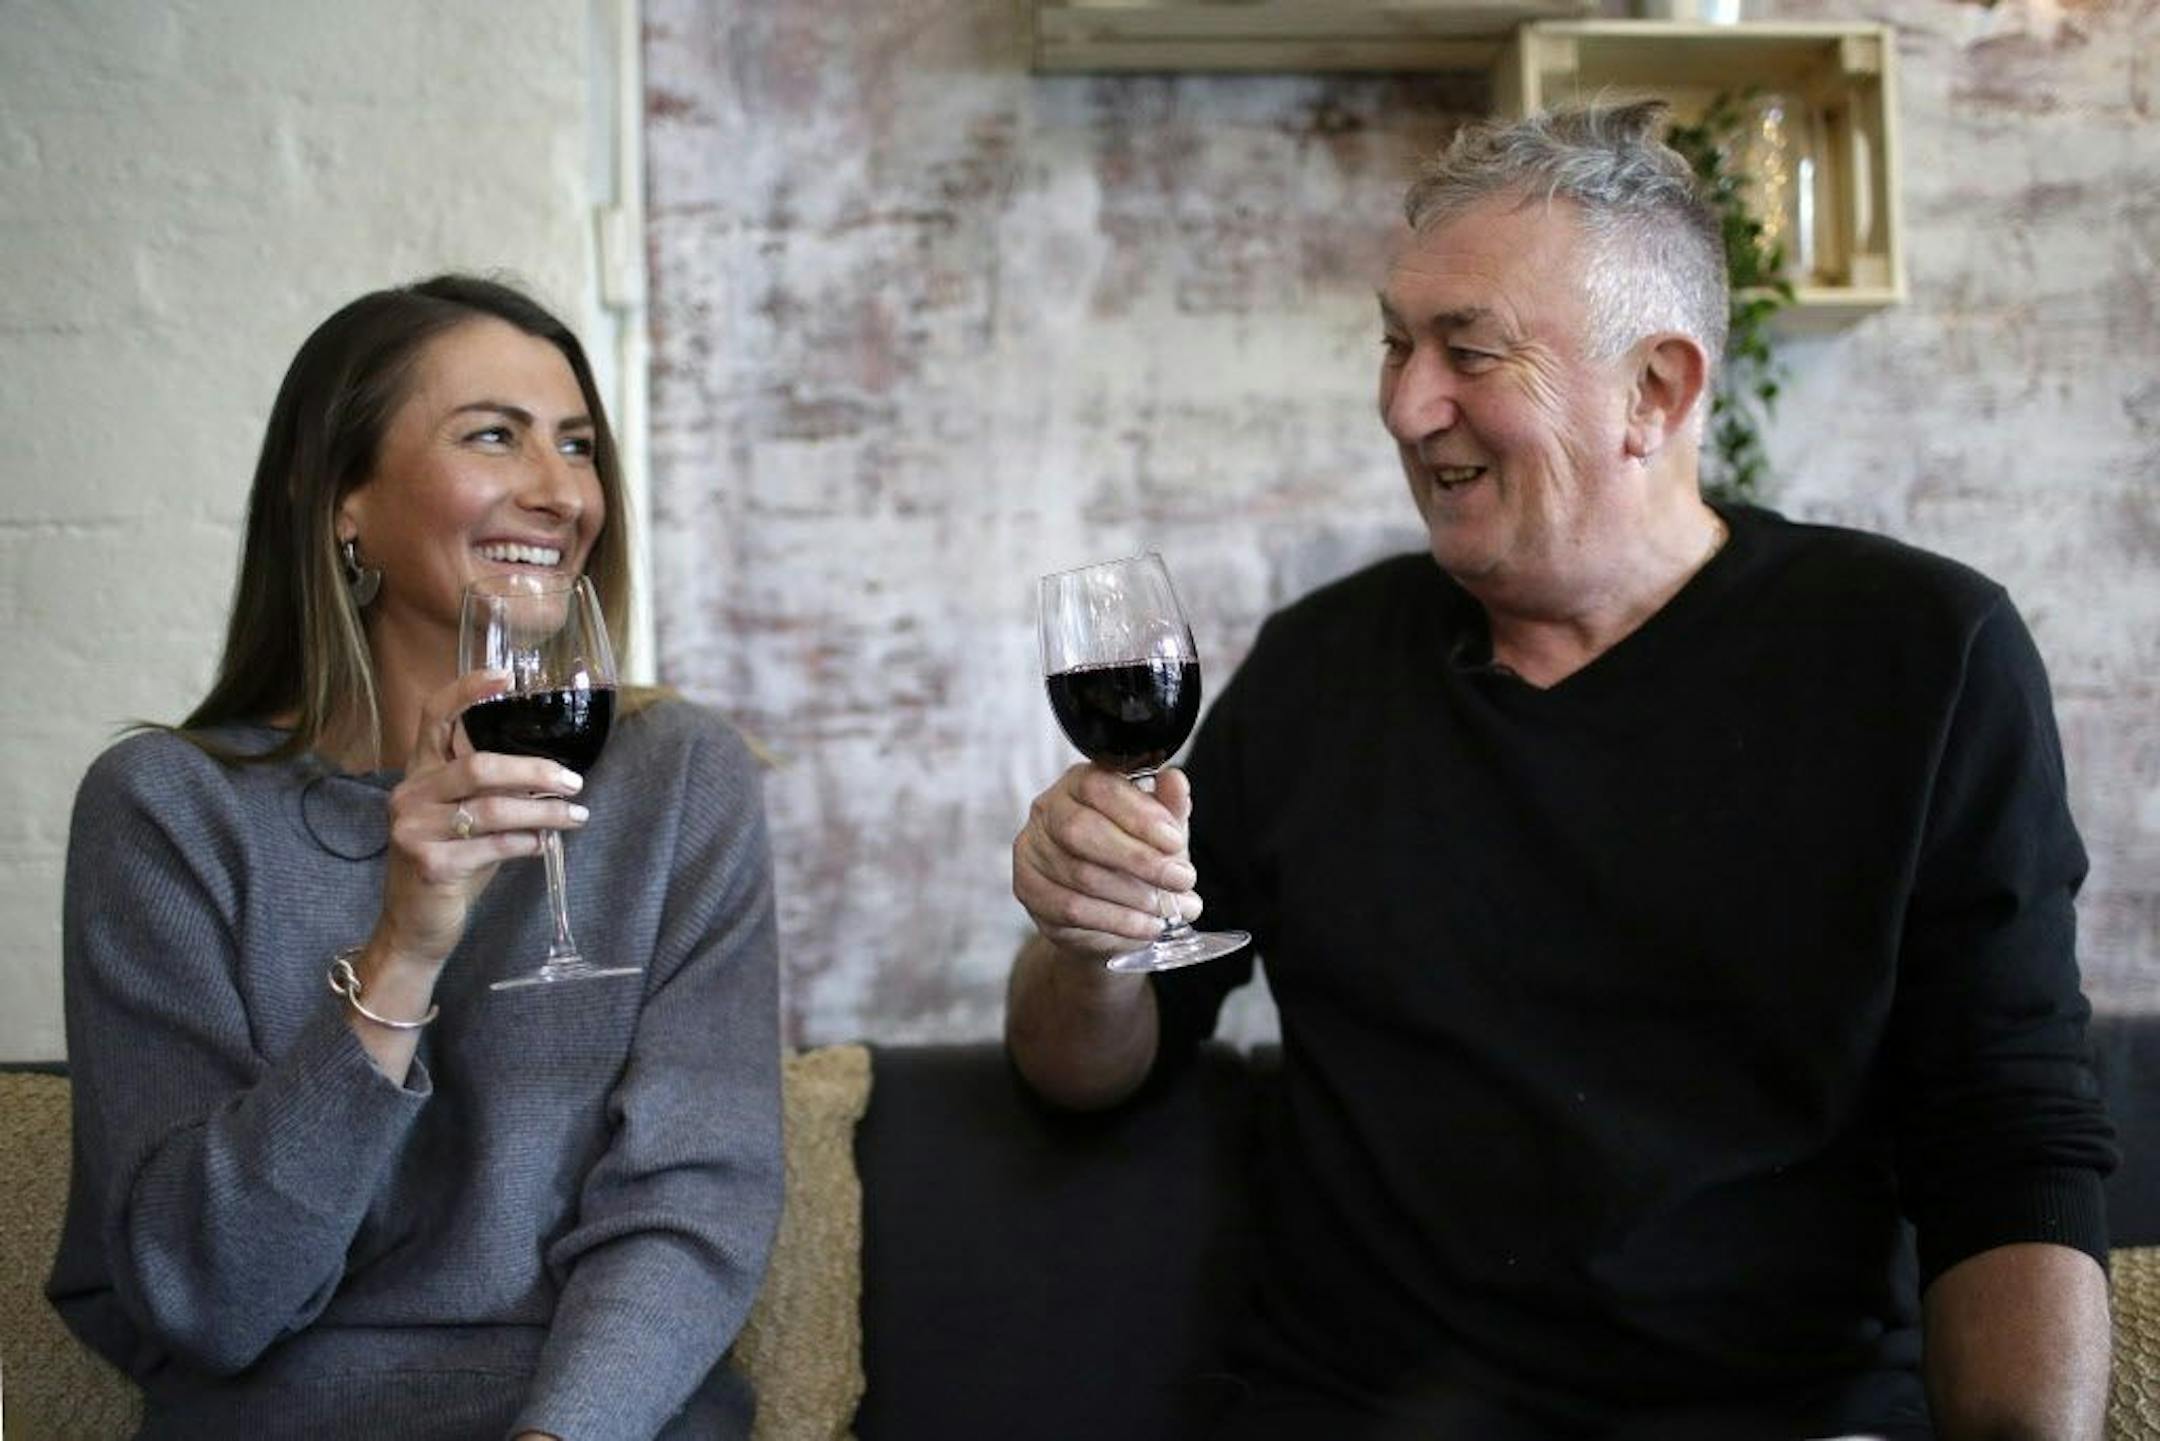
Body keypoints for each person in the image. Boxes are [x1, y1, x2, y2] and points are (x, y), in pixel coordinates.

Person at [1007, 102, 2116, 1440]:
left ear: (1657, 391)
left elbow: (2007, 1139)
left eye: (1468, 351)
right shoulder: (1319, 666)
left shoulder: (1922, 656)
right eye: (1396, 344)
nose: (1409, 405)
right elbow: (1088, 1071)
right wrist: (1086, 939)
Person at [48, 276, 783, 1441]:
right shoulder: (168, 812)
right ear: (343, 502)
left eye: (579, 445)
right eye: (495, 435)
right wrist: (403, 950)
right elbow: (206, 1294)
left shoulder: (677, 780)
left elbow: (691, 1203)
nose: (561, 492)